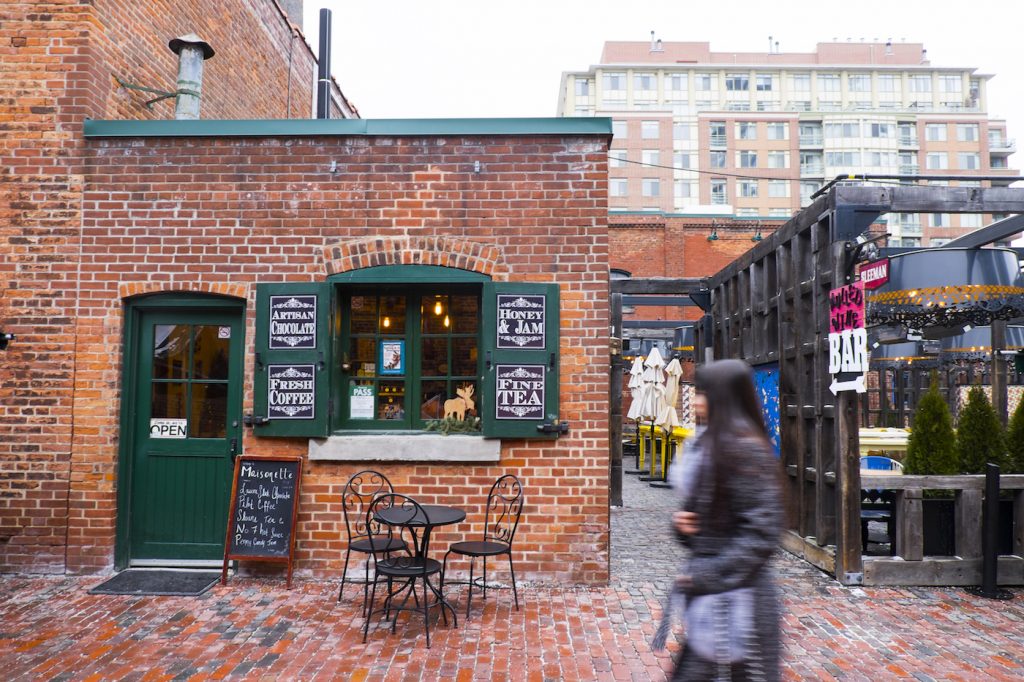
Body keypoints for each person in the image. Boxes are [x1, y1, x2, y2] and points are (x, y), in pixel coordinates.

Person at [668, 359, 782, 681]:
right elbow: (703, 518)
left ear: (723, 397)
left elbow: (762, 535)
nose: (696, 400)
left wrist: (706, 575)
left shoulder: (746, 450)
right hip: (713, 601)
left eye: (703, 392)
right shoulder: (708, 446)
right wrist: (683, 526)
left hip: (742, 604)